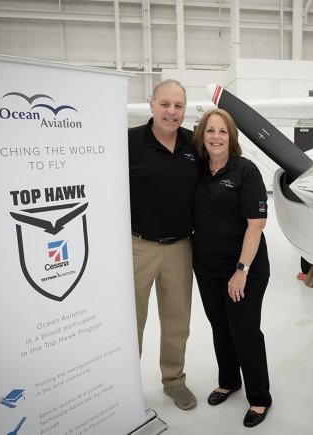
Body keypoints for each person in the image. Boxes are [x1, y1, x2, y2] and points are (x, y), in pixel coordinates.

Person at [192, 108, 272, 428]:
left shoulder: (246, 171)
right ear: (202, 136)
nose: (215, 137)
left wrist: (241, 270)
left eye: (222, 131)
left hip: (244, 267)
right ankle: (229, 381)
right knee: (220, 326)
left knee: (244, 330)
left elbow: (256, 225)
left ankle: (260, 398)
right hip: (207, 266)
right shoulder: (197, 170)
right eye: (210, 131)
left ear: (232, 136)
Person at [128, 79, 199, 410]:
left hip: (181, 247)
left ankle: (174, 380)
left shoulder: (193, 145)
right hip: (138, 247)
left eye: (179, 106)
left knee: (177, 320)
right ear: (151, 104)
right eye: (166, 104)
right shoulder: (129, 142)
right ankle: (125, 387)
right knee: (131, 322)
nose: (172, 112)